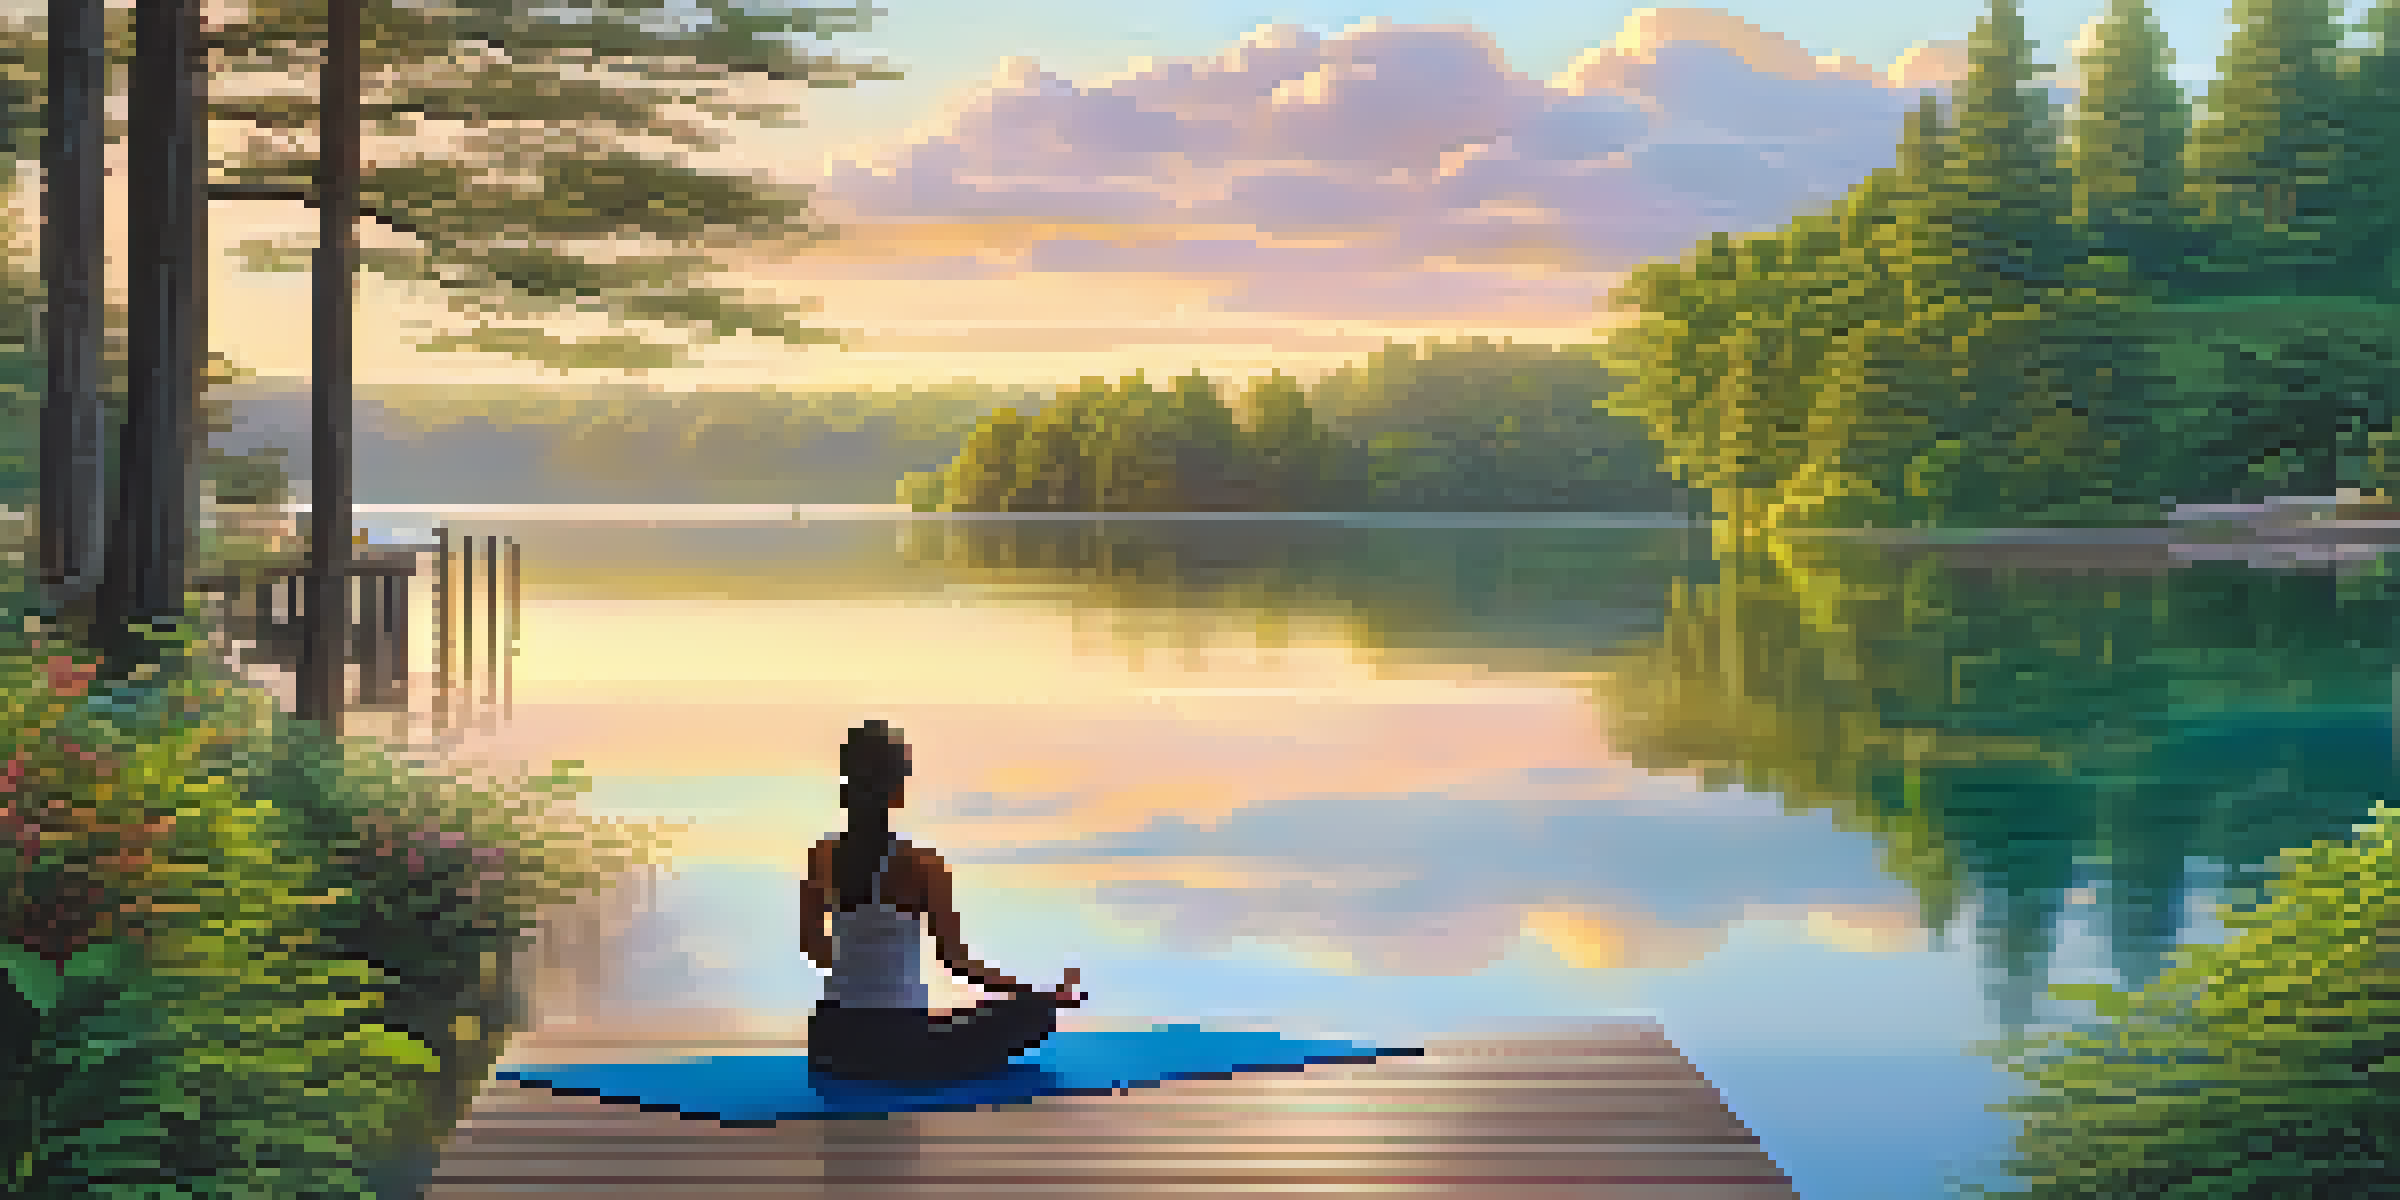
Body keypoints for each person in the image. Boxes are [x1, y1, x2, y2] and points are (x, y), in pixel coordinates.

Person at [799, 719, 1086, 1082]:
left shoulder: (821, 857)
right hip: (901, 1050)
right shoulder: (922, 865)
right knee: (1033, 1015)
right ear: (897, 792)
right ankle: (1041, 1004)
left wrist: (861, 974)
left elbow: (813, 948)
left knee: (947, 1019)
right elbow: (958, 963)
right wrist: (1035, 995)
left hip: (831, 1042)